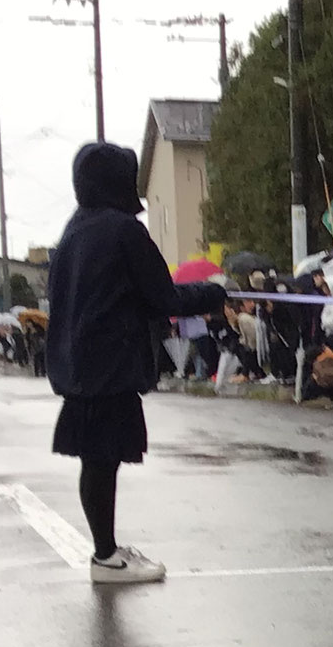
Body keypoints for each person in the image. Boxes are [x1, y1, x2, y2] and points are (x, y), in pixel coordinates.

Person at [44, 141, 227, 583]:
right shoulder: (123, 230)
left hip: (78, 362)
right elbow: (162, 296)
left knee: (97, 457)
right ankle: (106, 557)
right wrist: (215, 291)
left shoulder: (74, 231)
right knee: (103, 458)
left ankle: (105, 551)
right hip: (109, 363)